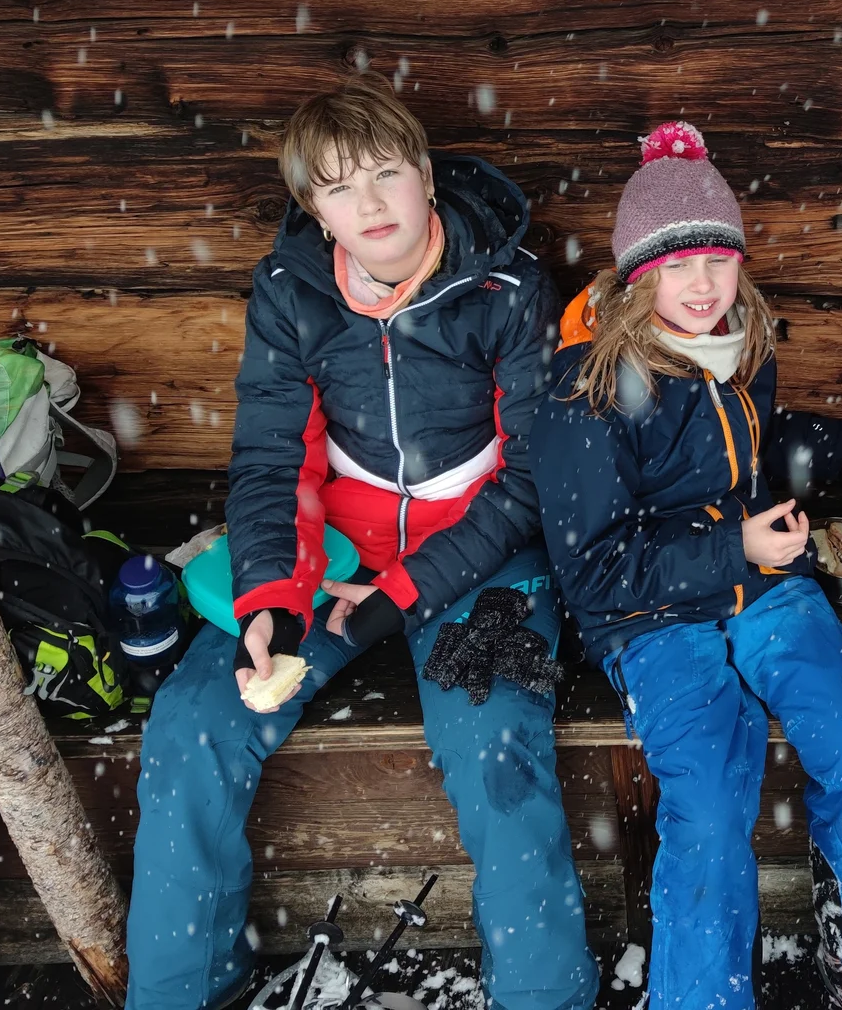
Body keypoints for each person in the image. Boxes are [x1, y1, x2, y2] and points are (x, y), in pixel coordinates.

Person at [125, 74, 595, 1010]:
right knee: (193, 728)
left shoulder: (506, 287)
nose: (370, 205)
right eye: (339, 187)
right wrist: (272, 599)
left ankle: (546, 997)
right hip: (335, 553)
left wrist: (409, 588)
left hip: (482, 555)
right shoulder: (292, 291)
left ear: (424, 173)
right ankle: (183, 990)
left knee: (496, 744)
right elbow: (270, 460)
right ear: (313, 206)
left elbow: (535, 480)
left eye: (385, 174)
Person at [534, 122, 842, 1010]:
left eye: (717, 259)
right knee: (711, 794)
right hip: (650, 614)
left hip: (757, 581)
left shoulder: (741, 345)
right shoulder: (583, 390)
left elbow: (748, 447)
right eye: (677, 267)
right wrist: (731, 548)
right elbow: (592, 570)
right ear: (639, 278)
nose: (703, 285)